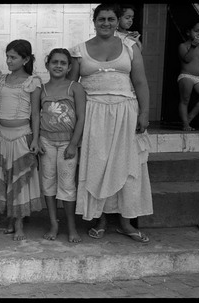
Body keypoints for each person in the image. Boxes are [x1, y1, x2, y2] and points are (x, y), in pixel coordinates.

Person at [68, 3, 153, 243]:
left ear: (118, 21)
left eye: (111, 19)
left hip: (126, 112)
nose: (106, 23)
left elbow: (141, 82)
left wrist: (144, 113)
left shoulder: (130, 46)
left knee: (127, 164)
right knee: (97, 164)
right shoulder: (79, 50)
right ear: (93, 22)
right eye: (101, 19)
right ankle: (100, 218)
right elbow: (72, 88)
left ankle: (126, 222)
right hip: (93, 114)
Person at [0, 39, 44, 241]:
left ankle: (20, 223)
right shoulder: (2, 80)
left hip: (22, 136)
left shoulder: (32, 82)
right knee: (6, 178)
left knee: (20, 180)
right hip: (3, 136)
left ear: (25, 59)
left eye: (13, 57)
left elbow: (36, 114)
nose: (8, 61)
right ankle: (10, 219)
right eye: (7, 56)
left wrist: (36, 139)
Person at [37, 48, 87, 243]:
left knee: (67, 185)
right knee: (48, 184)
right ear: (47, 64)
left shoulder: (75, 87)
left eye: (63, 63)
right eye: (54, 62)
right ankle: (54, 223)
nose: (58, 65)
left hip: (68, 143)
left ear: (69, 67)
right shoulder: (42, 88)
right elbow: (36, 115)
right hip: (46, 142)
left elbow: (81, 117)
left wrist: (74, 144)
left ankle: (71, 226)